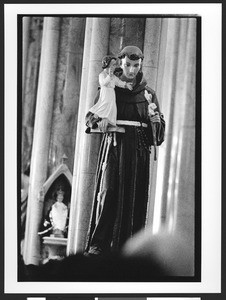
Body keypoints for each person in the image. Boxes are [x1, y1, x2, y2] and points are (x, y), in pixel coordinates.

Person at [85, 45, 165, 256]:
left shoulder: (148, 94)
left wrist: (156, 121)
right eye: (127, 65)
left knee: (134, 196)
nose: (131, 70)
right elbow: (91, 116)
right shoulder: (109, 88)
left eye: (136, 65)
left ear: (140, 66)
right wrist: (99, 120)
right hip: (115, 146)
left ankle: (130, 248)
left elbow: (159, 133)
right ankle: (99, 244)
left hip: (138, 152)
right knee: (109, 192)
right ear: (120, 63)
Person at [85, 55, 132, 132]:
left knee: (111, 108)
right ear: (107, 65)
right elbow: (103, 83)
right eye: (112, 65)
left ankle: (111, 124)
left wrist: (126, 85)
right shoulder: (102, 75)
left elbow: (118, 82)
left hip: (111, 94)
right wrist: (109, 76)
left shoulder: (113, 76)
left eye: (114, 65)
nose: (114, 67)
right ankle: (95, 120)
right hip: (105, 93)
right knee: (104, 106)